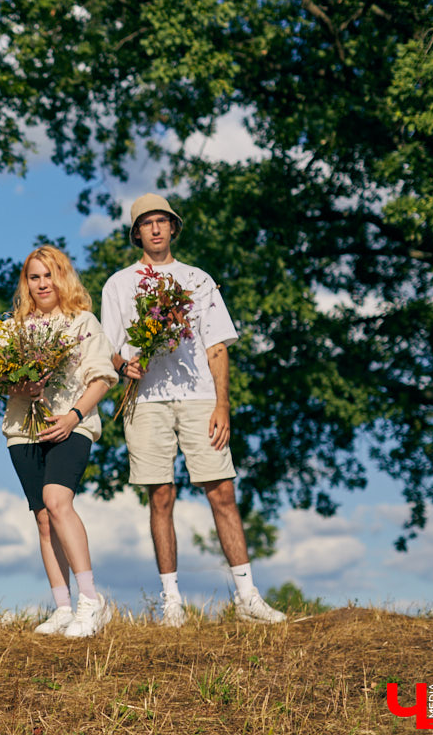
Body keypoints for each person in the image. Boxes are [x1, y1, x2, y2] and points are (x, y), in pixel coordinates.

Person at [101, 193, 286, 626]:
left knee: (222, 491)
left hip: (200, 397)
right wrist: (123, 365)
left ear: (173, 227)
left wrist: (223, 404)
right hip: (146, 400)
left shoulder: (198, 280)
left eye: (162, 221)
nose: (155, 228)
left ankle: (247, 596)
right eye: (146, 223)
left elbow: (217, 346)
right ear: (137, 233)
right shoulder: (119, 284)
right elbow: (107, 348)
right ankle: (172, 602)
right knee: (161, 495)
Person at [2, 246, 117, 638]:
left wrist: (73, 416)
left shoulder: (82, 321)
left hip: (71, 424)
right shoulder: (14, 328)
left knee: (57, 500)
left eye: (48, 275)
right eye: (34, 277)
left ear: (62, 276)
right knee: (42, 516)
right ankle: (63, 608)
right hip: (24, 429)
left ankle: (91, 600)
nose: (42, 284)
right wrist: (21, 385)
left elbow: (101, 378)